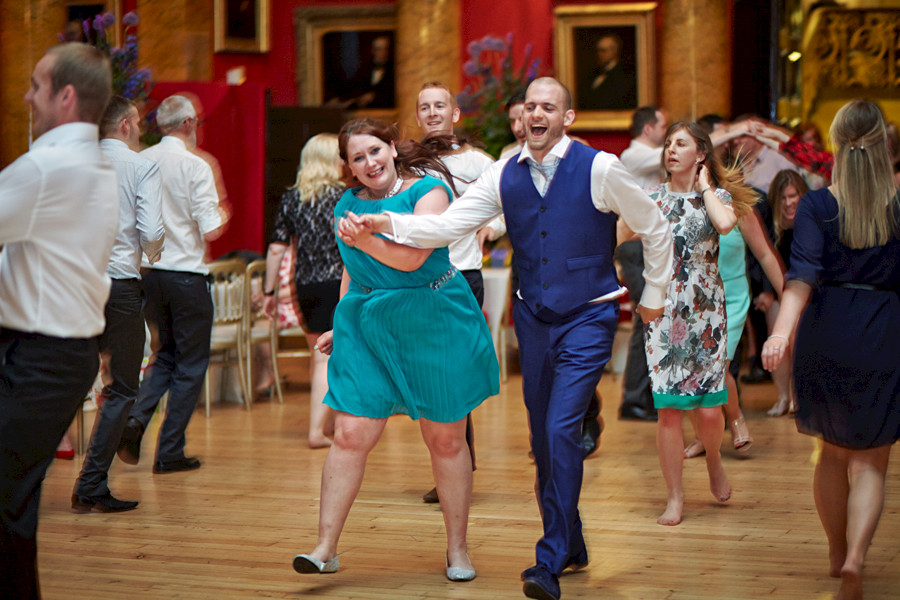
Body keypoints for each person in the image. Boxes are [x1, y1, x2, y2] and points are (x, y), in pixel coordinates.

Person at [345, 77, 673, 600]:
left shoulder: (600, 168)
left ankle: (549, 560)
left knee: (564, 427)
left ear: (567, 118)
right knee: (543, 438)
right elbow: (448, 225)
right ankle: (574, 540)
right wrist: (385, 219)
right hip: (534, 319)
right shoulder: (504, 174)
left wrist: (653, 292)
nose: (537, 114)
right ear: (521, 119)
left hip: (588, 317)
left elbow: (655, 227)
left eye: (550, 107)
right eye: (531, 107)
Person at [292, 118, 499, 582]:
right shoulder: (346, 204)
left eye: (374, 151)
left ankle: (458, 550)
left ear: (390, 146)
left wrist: (366, 236)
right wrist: (340, 322)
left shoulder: (429, 191)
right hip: (369, 324)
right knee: (349, 433)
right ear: (347, 166)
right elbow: (352, 268)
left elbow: (411, 256)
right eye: (357, 158)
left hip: (433, 319)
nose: (369, 163)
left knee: (445, 439)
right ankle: (324, 548)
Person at [761, 99, 900, 600]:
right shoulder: (899, 204)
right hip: (885, 331)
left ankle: (837, 551)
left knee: (831, 456)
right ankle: (858, 558)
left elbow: (800, 279)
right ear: (884, 144)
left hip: (827, 331)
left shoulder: (818, 205)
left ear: (837, 143)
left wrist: (780, 333)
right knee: (872, 463)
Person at [0, 43, 117, 600]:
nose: (27, 96)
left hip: (39, 357)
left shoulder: (47, 165)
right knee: (11, 498)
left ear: (65, 96)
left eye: (35, 84)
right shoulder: (94, 162)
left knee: (7, 501)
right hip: (56, 354)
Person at [637, 121, 756, 526]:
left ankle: (715, 459)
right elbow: (615, 234)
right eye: (668, 143)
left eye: (681, 144)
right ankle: (675, 497)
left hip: (706, 310)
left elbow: (724, 226)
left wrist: (704, 187)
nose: (671, 149)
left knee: (708, 411)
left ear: (700, 154)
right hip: (664, 310)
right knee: (668, 410)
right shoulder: (651, 199)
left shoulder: (718, 197)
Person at [117, 94, 226, 474]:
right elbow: (211, 228)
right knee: (192, 363)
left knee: (165, 354)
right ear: (189, 123)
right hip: (186, 274)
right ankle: (170, 451)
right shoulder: (196, 165)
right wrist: (223, 212)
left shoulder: (139, 161)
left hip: (148, 275)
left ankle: (135, 420)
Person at [71, 96, 166, 512]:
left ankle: (23, 480)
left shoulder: (74, 164)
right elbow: (150, 228)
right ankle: (91, 484)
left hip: (72, 283)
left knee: (63, 383)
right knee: (124, 386)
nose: (141, 129)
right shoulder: (141, 164)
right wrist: (152, 253)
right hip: (120, 286)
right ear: (126, 124)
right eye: (140, 123)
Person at [415, 81, 495, 502]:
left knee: (454, 372)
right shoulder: (408, 162)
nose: (432, 113)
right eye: (424, 107)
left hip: (462, 276)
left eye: (439, 106)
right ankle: (455, 459)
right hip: (420, 279)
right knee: (433, 374)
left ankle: (456, 461)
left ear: (455, 113)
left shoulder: (478, 162)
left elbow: (505, 202)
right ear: (418, 117)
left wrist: (489, 231)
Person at [262, 133, 344, 449]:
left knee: (320, 359)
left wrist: (269, 292)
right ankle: (327, 428)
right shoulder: (346, 197)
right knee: (340, 357)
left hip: (306, 287)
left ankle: (324, 428)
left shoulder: (292, 198)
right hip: (341, 285)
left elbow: (275, 250)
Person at [616, 105, 668, 422]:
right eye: (664, 126)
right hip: (635, 249)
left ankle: (644, 396)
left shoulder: (647, 158)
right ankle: (632, 400)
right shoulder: (632, 155)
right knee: (644, 318)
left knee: (652, 318)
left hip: (648, 247)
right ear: (648, 129)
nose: (667, 133)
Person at [579, 34, 636, 110]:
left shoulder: (625, 75)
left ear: (614, 51)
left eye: (603, 51)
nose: (600, 54)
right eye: (598, 51)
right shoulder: (593, 74)